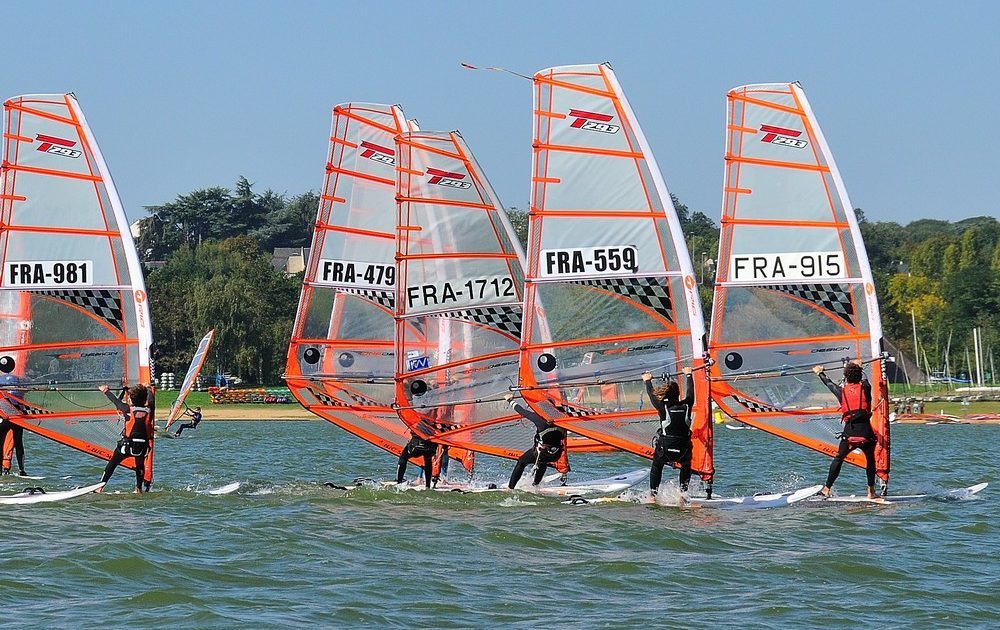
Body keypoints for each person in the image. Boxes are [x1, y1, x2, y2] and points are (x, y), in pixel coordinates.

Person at [813, 362, 878, 499]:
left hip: (849, 434)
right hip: (867, 434)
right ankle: (871, 491)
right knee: (870, 460)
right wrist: (859, 367)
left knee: (839, 458)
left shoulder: (841, 392)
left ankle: (826, 489)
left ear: (846, 377)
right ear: (859, 375)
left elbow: (828, 383)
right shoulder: (866, 388)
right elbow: (864, 378)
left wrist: (820, 372)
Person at [643, 367, 695, 499]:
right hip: (683, 449)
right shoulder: (687, 405)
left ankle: (653, 496)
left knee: (657, 466)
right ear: (678, 394)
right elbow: (690, 393)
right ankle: (683, 494)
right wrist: (688, 375)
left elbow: (652, 395)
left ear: (665, 395)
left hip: (665, 449)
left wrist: (647, 381)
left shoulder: (663, 408)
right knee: (686, 466)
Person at [96, 384, 154, 494]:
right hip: (142, 448)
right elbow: (151, 400)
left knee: (112, 463)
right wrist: (148, 389)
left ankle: (100, 487)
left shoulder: (127, 409)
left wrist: (106, 390)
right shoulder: (150, 410)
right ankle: (138, 489)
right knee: (140, 465)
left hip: (126, 447)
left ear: (131, 399)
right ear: (144, 399)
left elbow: (115, 401)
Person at [504, 393, 567, 490]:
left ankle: (510, 488)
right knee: (542, 462)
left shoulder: (539, 420)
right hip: (556, 454)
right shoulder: (562, 417)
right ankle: (536, 485)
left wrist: (510, 400)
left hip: (541, 453)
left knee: (521, 462)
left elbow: (521, 411)